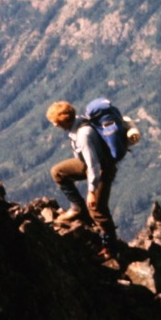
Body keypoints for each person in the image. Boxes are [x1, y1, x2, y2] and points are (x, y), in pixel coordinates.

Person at [46, 100, 120, 257]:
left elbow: (94, 166)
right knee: (58, 172)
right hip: (87, 163)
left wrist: (91, 191)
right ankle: (78, 209)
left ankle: (111, 247)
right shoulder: (78, 121)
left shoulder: (83, 135)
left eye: (56, 122)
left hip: (102, 169)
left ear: (64, 121)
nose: (54, 125)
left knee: (97, 208)